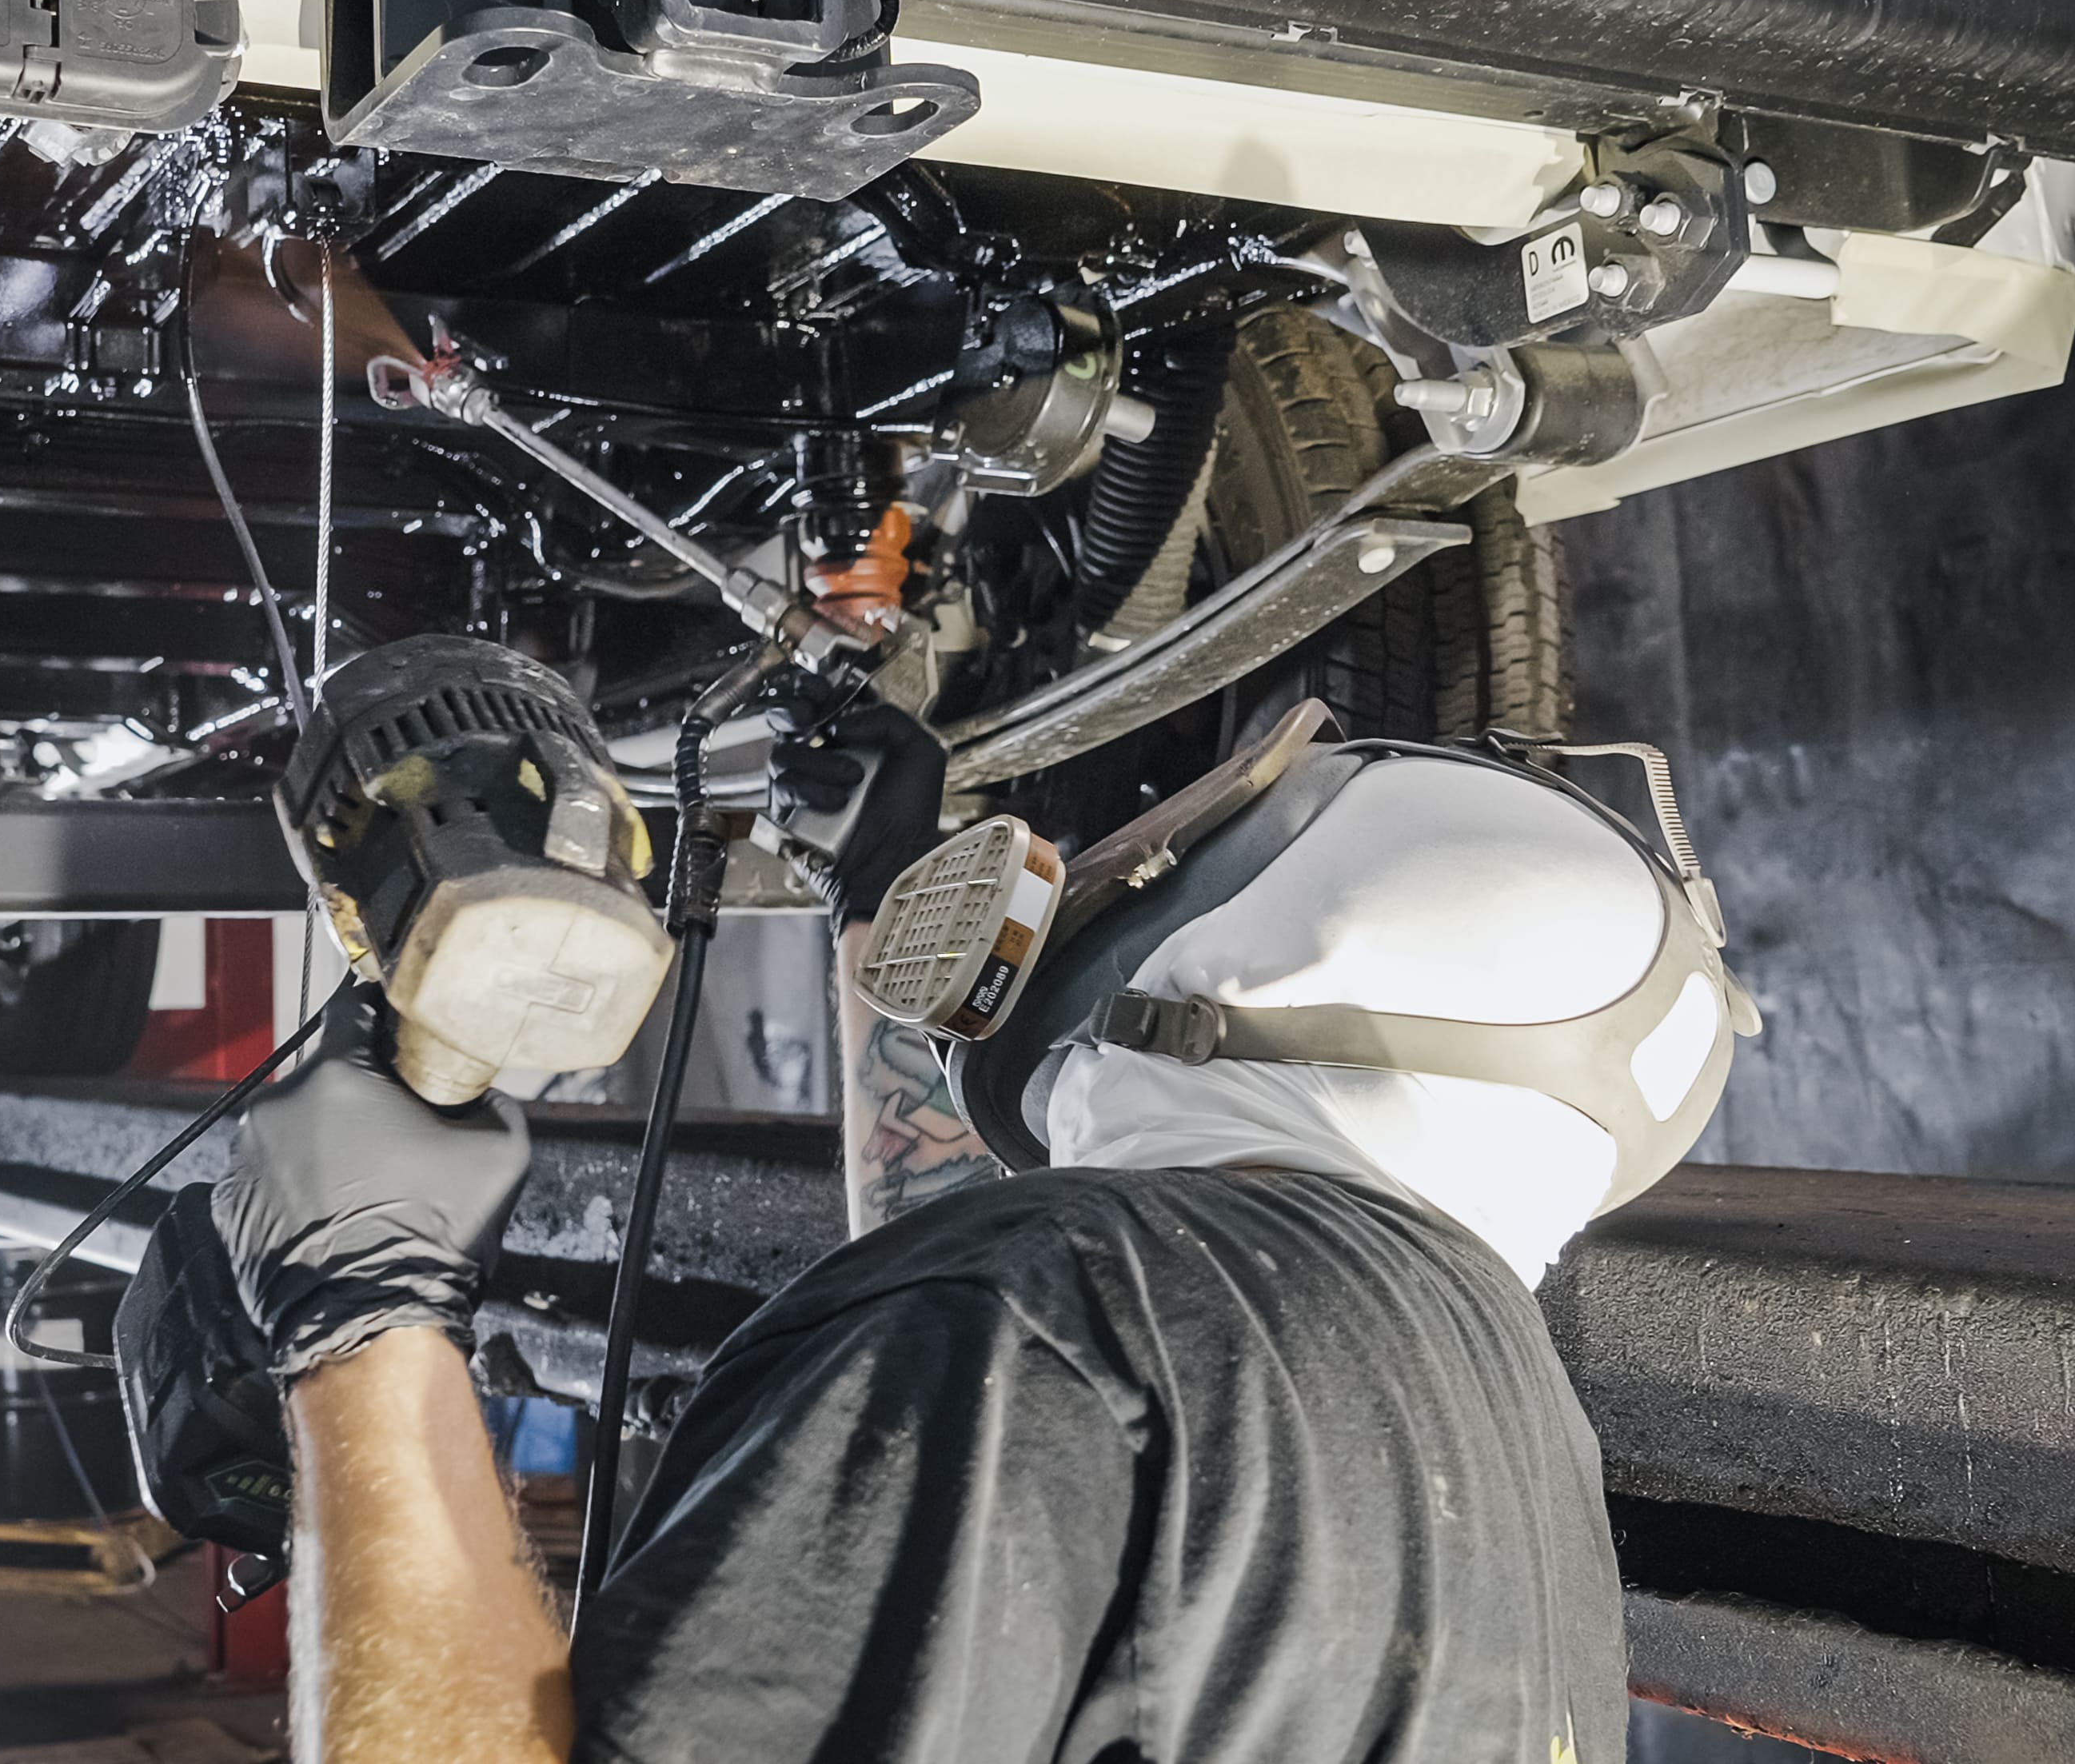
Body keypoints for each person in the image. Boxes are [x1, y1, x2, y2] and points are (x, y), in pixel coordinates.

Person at [201, 702, 1742, 1764]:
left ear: (1283, 957)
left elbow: (1036, 1357)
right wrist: (882, 903)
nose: (1125, 877)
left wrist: (360, 1321)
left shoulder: (1052, 1316)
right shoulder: (1501, 1434)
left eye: (1183, 868)